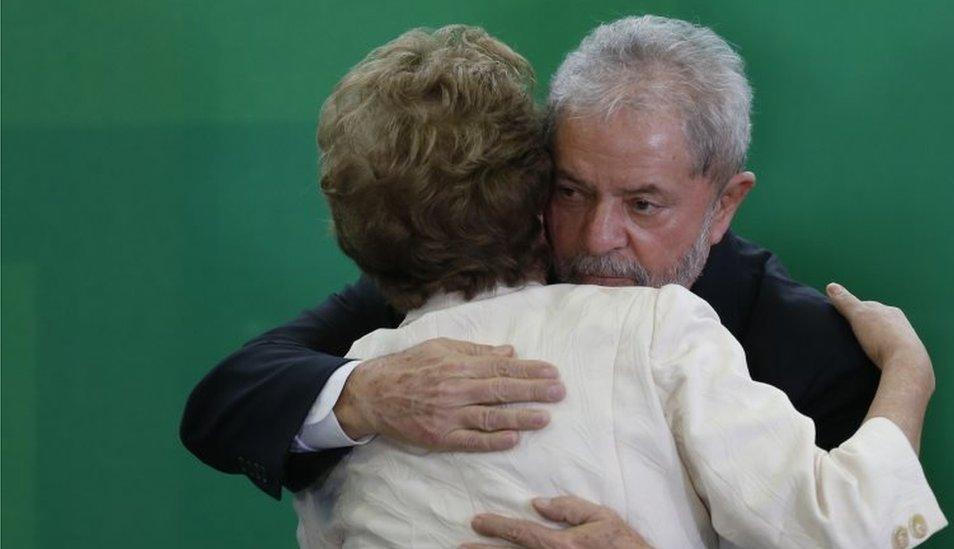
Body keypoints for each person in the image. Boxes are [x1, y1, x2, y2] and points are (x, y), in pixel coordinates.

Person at [182, 13, 891, 515]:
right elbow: (229, 399)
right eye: (570, 190)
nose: (596, 236)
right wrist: (364, 394)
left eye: (643, 204)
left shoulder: (813, 353)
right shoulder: (478, 268)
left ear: (725, 202)